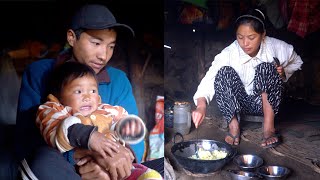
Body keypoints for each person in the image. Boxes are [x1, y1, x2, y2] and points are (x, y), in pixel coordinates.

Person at [16, 4, 147, 179]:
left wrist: (112, 163)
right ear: (71, 38)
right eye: (96, 43)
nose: (104, 55)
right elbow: (26, 138)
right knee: (41, 162)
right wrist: (85, 155)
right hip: (62, 167)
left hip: (110, 170)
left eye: (111, 46)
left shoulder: (119, 80)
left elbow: (133, 135)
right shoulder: (39, 73)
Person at [192, 8, 303, 148]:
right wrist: (201, 106)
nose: (245, 43)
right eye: (240, 37)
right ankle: (234, 126)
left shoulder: (276, 47)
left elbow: (297, 61)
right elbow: (210, 78)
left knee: (267, 68)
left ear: (263, 35)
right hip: (238, 104)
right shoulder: (229, 53)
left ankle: (268, 129)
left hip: (265, 103)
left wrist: (283, 72)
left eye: (251, 37)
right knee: (223, 72)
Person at [35, 62, 162, 180]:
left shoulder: (105, 110)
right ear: (58, 96)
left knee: (146, 172)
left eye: (93, 91)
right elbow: (54, 129)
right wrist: (90, 137)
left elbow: (122, 119)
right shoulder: (55, 109)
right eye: (78, 91)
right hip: (83, 170)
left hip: (119, 168)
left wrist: (129, 127)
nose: (87, 97)